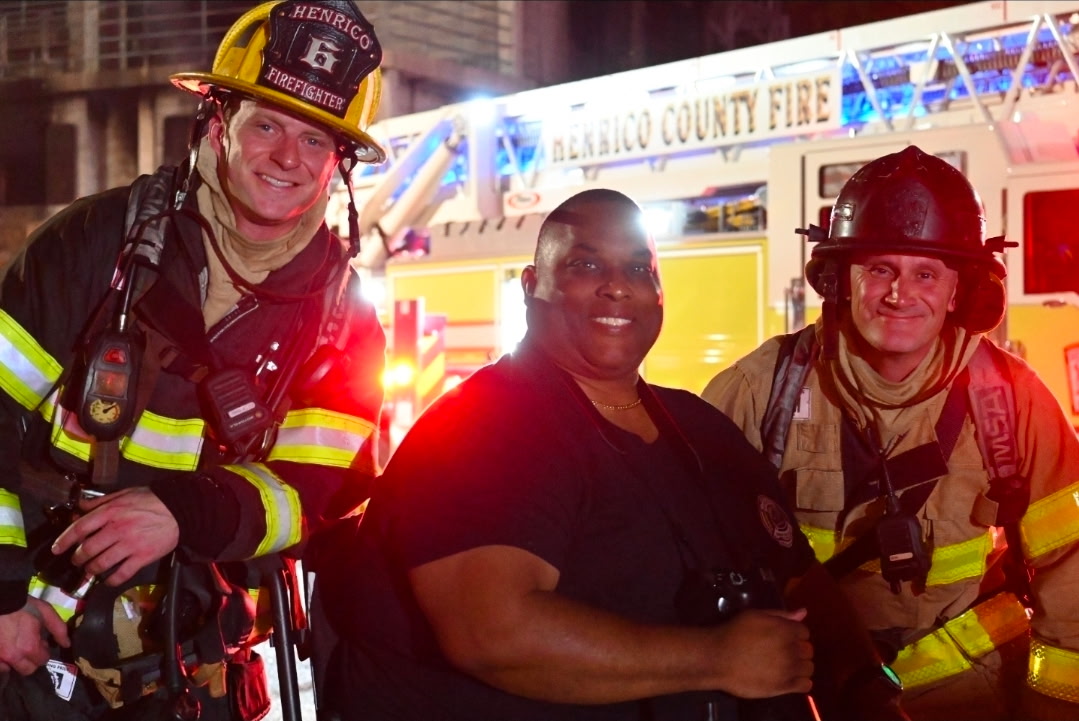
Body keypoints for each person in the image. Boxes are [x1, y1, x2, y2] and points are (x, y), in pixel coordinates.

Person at [314, 188, 907, 721]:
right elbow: (491, 634)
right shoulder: (483, 425)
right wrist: (715, 659)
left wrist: (865, 689)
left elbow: (799, 579)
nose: (617, 285)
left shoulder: (700, 429)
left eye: (639, 268)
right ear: (531, 286)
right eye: (585, 264)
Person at [0, 1, 387, 719]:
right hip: (36, 636)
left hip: (194, 659)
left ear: (337, 164)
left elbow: (316, 488)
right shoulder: (95, 246)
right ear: (217, 123)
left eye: (314, 139)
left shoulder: (344, 316)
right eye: (266, 125)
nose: (288, 157)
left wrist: (184, 511)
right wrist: (1, 599)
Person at [701, 145, 1079, 721]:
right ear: (840, 281)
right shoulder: (760, 390)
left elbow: (1072, 571)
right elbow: (689, 557)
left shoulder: (1013, 398)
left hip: (970, 698)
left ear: (961, 291)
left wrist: (1054, 708)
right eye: (880, 269)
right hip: (817, 696)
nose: (901, 294)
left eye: (926, 274)